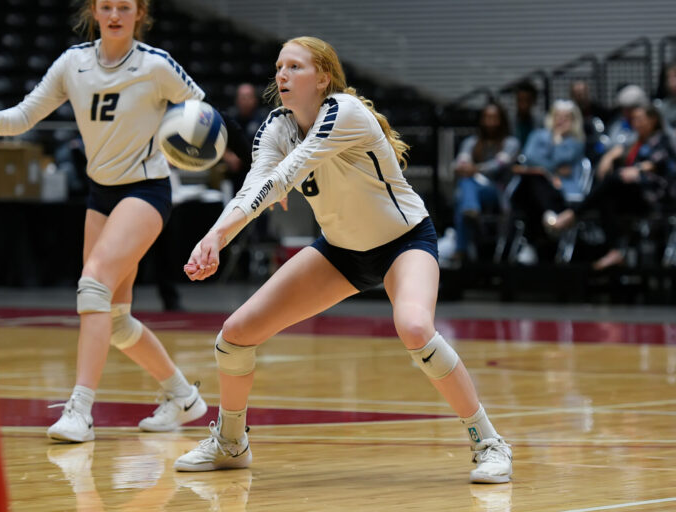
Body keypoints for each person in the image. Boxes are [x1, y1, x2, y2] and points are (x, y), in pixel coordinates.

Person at [172, 36, 512, 484]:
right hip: (341, 251)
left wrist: (227, 227)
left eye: (294, 67)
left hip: (404, 242)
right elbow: (253, 185)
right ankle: (231, 443)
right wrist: (213, 237)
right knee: (234, 336)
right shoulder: (276, 127)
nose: (281, 75)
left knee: (414, 328)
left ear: (323, 77)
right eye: (279, 67)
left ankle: (489, 443)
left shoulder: (345, 112)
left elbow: (284, 177)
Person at [0, 0, 208, 442]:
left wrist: (227, 154)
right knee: (114, 319)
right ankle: (183, 396)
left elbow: (203, 114)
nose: (116, 14)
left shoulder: (156, 65)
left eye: (125, 7)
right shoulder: (73, 63)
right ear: (94, 11)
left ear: (140, 13)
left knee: (92, 283)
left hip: (146, 190)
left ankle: (80, 410)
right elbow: (25, 114)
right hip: (101, 194)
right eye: (107, 6)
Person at [549, 106, 676, 270]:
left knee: (614, 179)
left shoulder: (662, 139)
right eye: (634, 120)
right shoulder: (635, 142)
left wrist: (637, 169)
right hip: (634, 195)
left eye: (640, 119)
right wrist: (608, 157)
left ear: (653, 120)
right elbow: (618, 151)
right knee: (606, 196)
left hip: (655, 195)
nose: (636, 123)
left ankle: (573, 214)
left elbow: (658, 163)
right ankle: (615, 251)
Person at [509, 100, 585, 260]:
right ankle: (549, 217)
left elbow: (561, 157)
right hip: (533, 188)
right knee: (534, 179)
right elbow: (529, 157)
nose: (561, 121)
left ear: (573, 120)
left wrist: (556, 141)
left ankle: (531, 245)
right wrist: (551, 169)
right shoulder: (538, 135)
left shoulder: (576, 141)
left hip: (561, 190)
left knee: (533, 184)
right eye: (558, 116)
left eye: (566, 117)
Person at [453, 101, 520, 261]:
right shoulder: (471, 142)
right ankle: (470, 210)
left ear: (501, 120)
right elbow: (461, 162)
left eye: (494, 118)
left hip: (496, 191)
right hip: (473, 188)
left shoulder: (511, 143)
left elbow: (498, 165)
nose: (490, 122)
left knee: (464, 188)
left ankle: (461, 249)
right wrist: (463, 168)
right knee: (466, 185)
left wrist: (474, 169)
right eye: (487, 117)